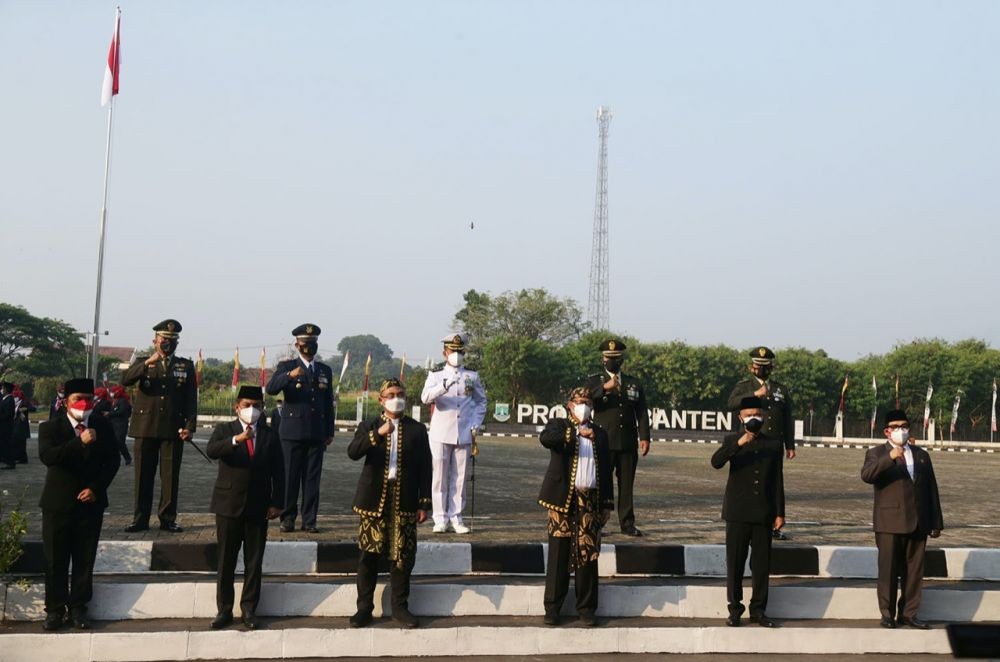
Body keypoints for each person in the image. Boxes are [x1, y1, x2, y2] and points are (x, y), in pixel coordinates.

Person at [347, 378, 432, 628]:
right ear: (381, 399)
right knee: (368, 555)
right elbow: (353, 452)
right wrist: (377, 435)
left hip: (404, 499)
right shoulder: (369, 425)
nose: (397, 397)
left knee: (402, 555)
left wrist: (423, 503)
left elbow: (426, 467)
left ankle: (400, 607)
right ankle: (364, 608)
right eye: (391, 394)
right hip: (373, 500)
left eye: (401, 393)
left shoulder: (417, 429)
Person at [37, 378, 121, 630]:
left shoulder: (102, 425)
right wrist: (79, 442)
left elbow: (112, 461)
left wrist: (96, 488)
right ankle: (54, 610)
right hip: (58, 504)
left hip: (90, 504)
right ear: (66, 403)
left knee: (84, 559)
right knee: (55, 559)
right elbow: (49, 457)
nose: (84, 404)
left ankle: (78, 608)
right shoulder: (50, 427)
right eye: (77, 399)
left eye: (89, 398)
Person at [205, 385, 284, 631]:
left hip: (258, 505)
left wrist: (277, 503)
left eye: (257, 406)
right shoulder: (224, 430)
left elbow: (280, 472)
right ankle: (224, 610)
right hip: (229, 505)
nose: (252, 410)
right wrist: (236, 440)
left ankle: (249, 608)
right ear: (237, 407)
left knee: (254, 561)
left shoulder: (270, 435)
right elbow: (212, 450)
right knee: (226, 560)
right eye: (247, 405)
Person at [538, 387, 614, 627]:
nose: (585, 406)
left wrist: (607, 504)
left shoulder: (600, 434)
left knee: (588, 556)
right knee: (559, 555)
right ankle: (552, 608)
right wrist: (577, 434)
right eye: (580, 402)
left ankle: (587, 608)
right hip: (562, 501)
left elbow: (606, 470)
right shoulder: (560, 426)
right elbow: (546, 439)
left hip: (590, 500)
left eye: (588, 402)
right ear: (570, 405)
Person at [861, 409, 943, 630]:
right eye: (896, 427)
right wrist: (890, 457)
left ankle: (909, 613)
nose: (901, 430)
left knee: (914, 571)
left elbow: (931, 488)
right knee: (888, 570)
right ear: (887, 431)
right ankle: (887, 614)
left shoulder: (922, 455)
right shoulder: (877, 453)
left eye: (904, 426)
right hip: (889, 521)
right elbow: (867, 476)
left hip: (918, 520)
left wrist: (936, 521)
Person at [711, 396, 785, 628]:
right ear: (740, 417)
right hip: (737, 512)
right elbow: (716, 462)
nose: (754, 417)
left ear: (763, 417)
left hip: (763, 512)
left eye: (758, 413)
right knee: (735, 563)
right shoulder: (732, 439)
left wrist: (780, 512)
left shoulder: (774, 444)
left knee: (761, 565)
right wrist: (740, 443)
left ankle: (759, 610)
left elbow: (777, 480)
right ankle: (735, 609)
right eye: (749, 414)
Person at [120, 319, 198, 533]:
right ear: (155, 340)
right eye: (164, 339)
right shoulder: (144, 362)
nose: (168, 344)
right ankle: (140, 519)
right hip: (145, 427)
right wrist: (146, 363)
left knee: (170, 477)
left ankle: (167, 518)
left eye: (173, 340)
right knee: (143, 476)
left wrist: (190, 426)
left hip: (173, 429)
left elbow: (191, 399)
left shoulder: (185, 366)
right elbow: (125, 380)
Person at [266, 323, 335, 533]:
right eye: (305, 343)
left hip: (316, 433)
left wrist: (329, 431)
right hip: (292, 432)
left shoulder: (324, 370)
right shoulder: (286, 366)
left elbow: (328, 402)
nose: (309, 347)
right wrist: (289, 376)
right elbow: (271, 389)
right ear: (297, 345)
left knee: (312, 480)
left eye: (313, 343)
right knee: (290, 478)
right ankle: (287, 518)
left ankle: (309, 520)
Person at [420, 332, 487, 534]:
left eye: (459, 351)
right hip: (441, 432)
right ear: (444, 352)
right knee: (439, 477)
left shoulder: (472, 376)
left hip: (464, 431)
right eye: (452, 351)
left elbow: (481, 401)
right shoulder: (435, 375)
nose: (456, 354)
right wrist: (444, 386)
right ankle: (440, 518)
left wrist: (476, 422)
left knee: (460, 477)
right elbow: (425, 398)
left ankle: (456, 517)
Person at [584, 338, 650, 537]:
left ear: (621, 359)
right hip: (603, 441)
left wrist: (645, 437)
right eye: (607, 357)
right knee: (601, 484)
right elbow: (584, 398)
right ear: (602, 359)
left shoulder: (633, 383)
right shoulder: (595, 381)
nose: (611, 361)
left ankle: (627, 523)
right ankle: (597, 522)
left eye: (615, 358)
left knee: (626, 485)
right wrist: (604, 388)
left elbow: (642, 412)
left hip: (627, 441)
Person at [727, 347, 795, 460]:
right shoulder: (743, 387)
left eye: (765, 365)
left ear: (771, 367)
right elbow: (731, 404)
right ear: (751, 366)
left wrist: (790, 445)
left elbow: (787, 420)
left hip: (774, 444)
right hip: (749, 442)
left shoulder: (781, 389)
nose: (761, 369)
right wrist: (754, 394)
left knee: (773, 477)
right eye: (758, 365)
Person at [107, 385, 133, 465]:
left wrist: (109, 413)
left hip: (121, 425)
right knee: (114, 442)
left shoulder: (123, 401)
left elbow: (121, 412)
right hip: (114, 424)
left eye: (113, 391)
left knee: (120, 442)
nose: (111, 393)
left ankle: (127, 458)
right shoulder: (115, 401)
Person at [11, 386, 36, 464]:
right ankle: (16, 457)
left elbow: (33, 408)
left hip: (22, 425)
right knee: (15, 442)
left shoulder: (24, 402)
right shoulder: (12, 402)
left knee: (21, 443)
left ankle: (23, 459)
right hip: (14, 425)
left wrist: (25, 409)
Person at [0, 381, 15, 470]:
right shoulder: (4, 399)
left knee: (7, 444)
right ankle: (6, 460)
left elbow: (8, 414)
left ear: (6, 389)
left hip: (6, 426)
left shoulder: (10, 400)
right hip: (2, 426)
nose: (2, 390)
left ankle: (10, 462)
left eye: (3, 388)